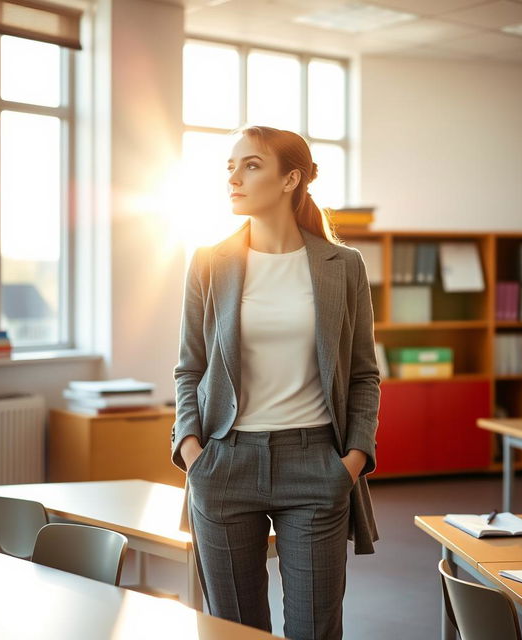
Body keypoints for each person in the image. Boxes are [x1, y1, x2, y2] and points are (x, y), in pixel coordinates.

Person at [170, 125, 380, 640]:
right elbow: (188, 368)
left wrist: (351, 460)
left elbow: (363, 374)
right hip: (224, 462)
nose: (234, 178)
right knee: (235, 630)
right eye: (230, 166)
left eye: (251, 165)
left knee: (315, 629)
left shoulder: (343, 265)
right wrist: (192, 449)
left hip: (315, 466)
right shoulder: (208, 263)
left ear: (291, 179)